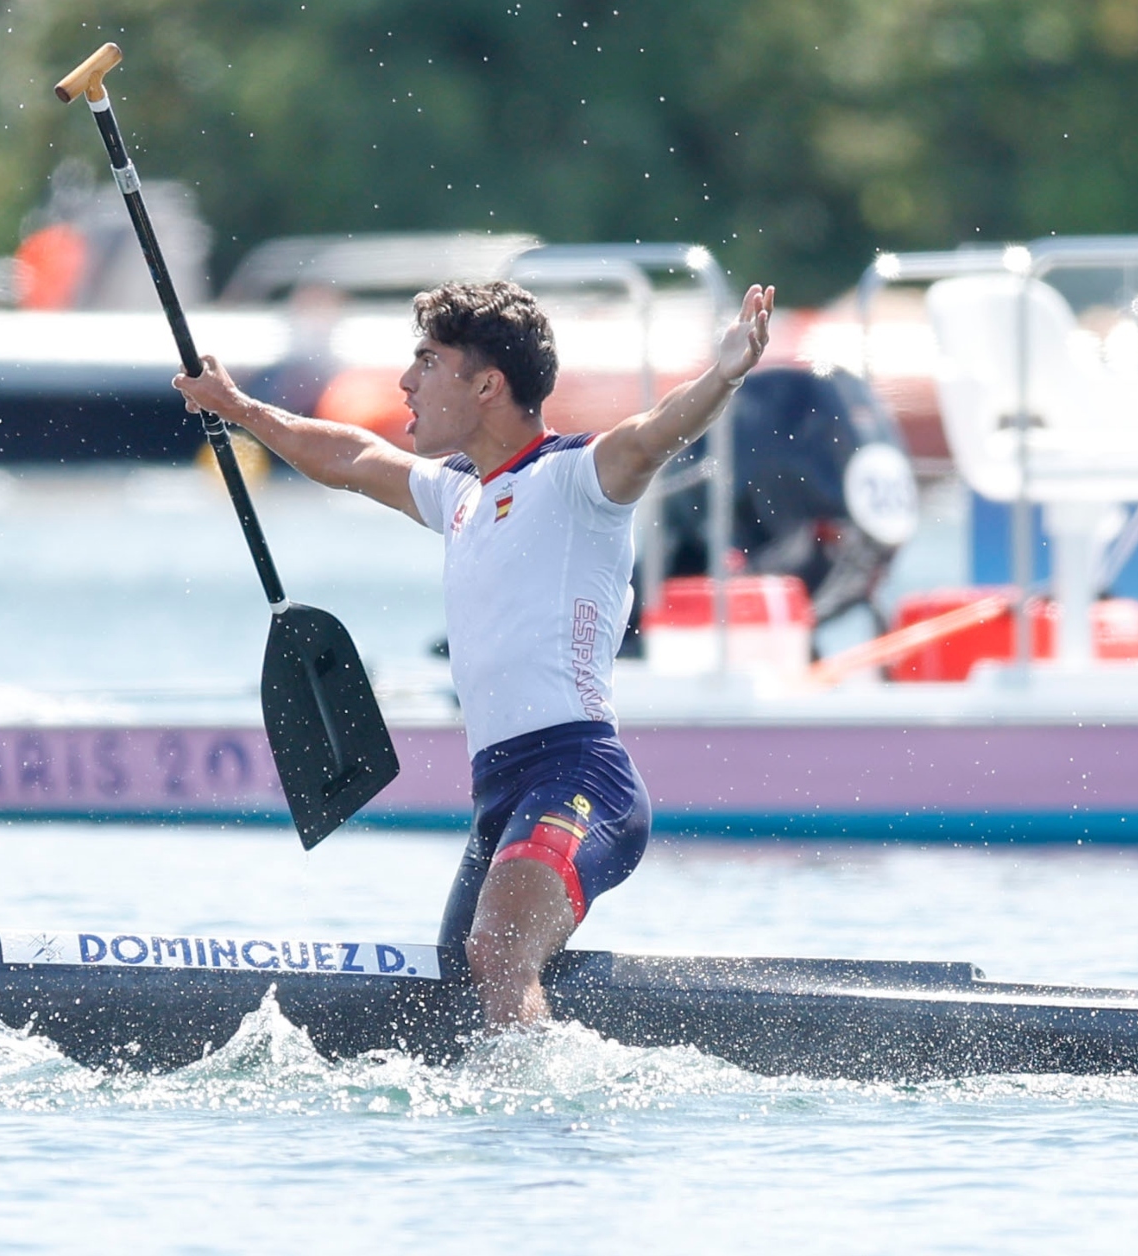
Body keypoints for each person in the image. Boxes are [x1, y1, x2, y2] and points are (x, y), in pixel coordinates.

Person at [173, 279, 773, 1029]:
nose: (404, 382)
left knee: (497, 951)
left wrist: (723, 375)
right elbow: (351, 456)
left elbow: (652, 432)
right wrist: (238, 410)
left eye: (427, 361)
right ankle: (518, 1070)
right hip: (498, 796)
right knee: (457, 990)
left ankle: (540, 1123)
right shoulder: (458, 493)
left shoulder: (577, 479)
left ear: (487, 384)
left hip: (581, 779)